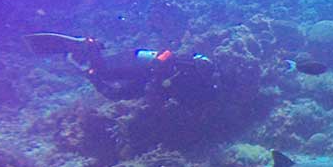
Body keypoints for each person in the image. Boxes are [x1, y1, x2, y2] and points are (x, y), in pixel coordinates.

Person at [24, 32, 217, 101]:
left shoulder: (192, 74)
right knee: (104, 74)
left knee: (112, 88)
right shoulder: (188, 73)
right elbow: (167, 56)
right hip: (140, 65)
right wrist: (156, 79)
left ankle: (85, 56)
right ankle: (90, 46)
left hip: (141, 66)